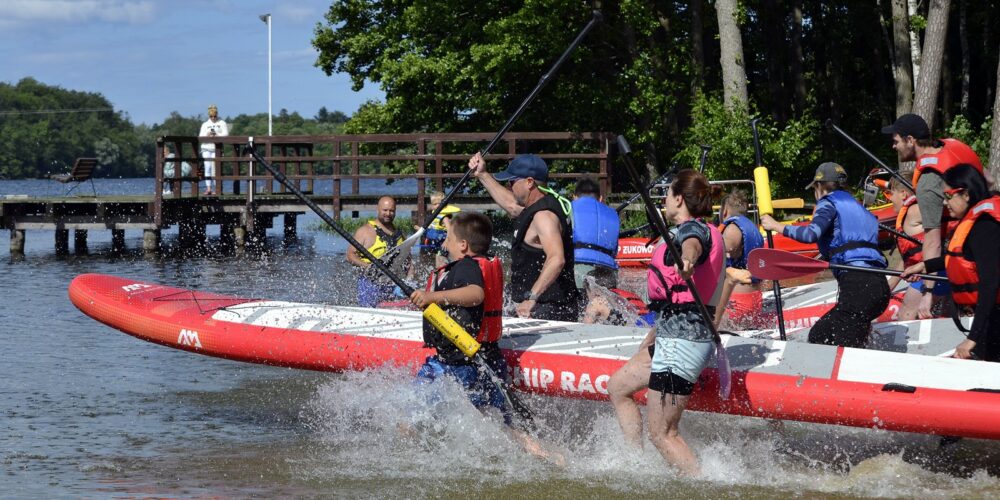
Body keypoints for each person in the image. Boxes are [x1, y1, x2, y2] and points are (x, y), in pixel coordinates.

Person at [408, 212, 561, 462]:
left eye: (448, 238)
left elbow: (476, 294)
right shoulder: (471, 264)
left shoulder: (467, 267)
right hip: (478, 357)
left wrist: (431, 298)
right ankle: (547, 456)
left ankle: (422, 460)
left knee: (417, 415)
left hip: (463, 363)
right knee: (501, 421)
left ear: (463, 245)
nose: (444, 243)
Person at [607, 169, 725, 477]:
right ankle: (637, 465)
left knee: (663, 433)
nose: (663, 200)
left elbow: (692, 245)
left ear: (679, 199)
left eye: (667, 194)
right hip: (671, 333)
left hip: (684, 344)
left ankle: (702, 486)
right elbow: (675, 300)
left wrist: (687, 260)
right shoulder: (695, 228)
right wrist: (653, 336)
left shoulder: (695, 232)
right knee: (619, 386)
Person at [761, 162, 891, 348]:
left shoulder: (828, 203)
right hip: (879, 287)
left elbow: (810, 234)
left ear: (820, 186)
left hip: (858, 286)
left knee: (823, 339)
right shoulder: (858, 207)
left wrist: (776, 226)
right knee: (830, 337)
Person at [882, 113, 983, 318]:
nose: (894, 147)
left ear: (910, 141)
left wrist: (927, 292)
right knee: (950, 314)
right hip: (981, 245)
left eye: (896, 141)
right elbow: (988, 180)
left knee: (907, 314)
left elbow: (932, 242)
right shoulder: (955, 147)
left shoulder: (928, 182)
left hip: (960, 256)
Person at [902, 164, 1000, 361]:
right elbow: (964, 257)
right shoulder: (973, 223)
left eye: (948, 196)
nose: (944, 203)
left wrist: (972, 339)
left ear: (965, 194)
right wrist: (925, 265)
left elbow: (990, 283)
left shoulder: (985, 227)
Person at [468, 153, 580, 321]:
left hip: (550, 309)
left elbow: (557, 259)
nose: (509, 185)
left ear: (529, 182)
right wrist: (483, 175)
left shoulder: (544, 216)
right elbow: (512, 206)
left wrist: (531, 299)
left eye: (512, 181)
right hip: (536, 306)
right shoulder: (534, 206)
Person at [715, 189, 767, 329]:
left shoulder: (732, 228)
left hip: (736, 303)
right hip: (754, 300)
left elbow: (717, 254)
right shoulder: (753, 227)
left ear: (724, 210)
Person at [885, 171, 931, 320]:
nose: (890, 198)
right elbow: (910, 255)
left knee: (905, 313)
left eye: (891, 194)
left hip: (935, 272)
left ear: (903, 194)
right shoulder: (908, 214)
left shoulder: (915, 210)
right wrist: (892, 282)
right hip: (925, 271)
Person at [347, 196, 407, 307]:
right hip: (370, 284)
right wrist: (367, 266)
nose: (388, 214)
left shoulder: (400, 235)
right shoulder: (365, 231)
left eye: (391, 211)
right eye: (385, 210)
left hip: (393, 285)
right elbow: (350, 255)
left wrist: (409, 281)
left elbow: (408, 260)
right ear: (377, 209)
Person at [571, 177, 620, 291]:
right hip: (607, 274)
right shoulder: (613, 214)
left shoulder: (570, 208)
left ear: (574, 197)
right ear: (601, 199)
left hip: (577, 271)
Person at [580, 270, 655, 327]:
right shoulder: (630, 296)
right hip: (650, 325)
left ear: (593, 289)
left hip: (631, 329)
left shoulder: (597, 302)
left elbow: (585, 329)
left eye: (586, 291)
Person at [421, 191, 461, 268]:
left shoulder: (444, 217)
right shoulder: (435, 215)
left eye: (439, 204)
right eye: (434, 204)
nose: (437, 206)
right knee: (437, 260)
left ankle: (444, 274)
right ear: (431, 205)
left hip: (444, 242)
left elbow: (450, 230)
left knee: (441, 261)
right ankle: (439, 275)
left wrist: (446, 241)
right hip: (437, 242)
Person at [199, 104, 229, 195]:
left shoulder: (222, 123)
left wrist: (217, 135)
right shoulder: (205, 124)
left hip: (216, 149)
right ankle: (208, 188)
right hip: (206, 148)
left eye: (214, 116)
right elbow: (200, 136)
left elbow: (226, 134)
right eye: (211, 116)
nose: (213, 118)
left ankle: (217, 188)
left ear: (217, 114)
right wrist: (207, 134)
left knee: (216, 169)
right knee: (207, 167)